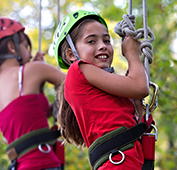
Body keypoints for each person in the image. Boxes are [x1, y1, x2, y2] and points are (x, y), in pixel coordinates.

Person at [53, 10, 149, 170]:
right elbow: (140, 87)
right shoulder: (78, 70)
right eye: (91, 41)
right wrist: (133, 55)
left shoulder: (106, 91)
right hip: (118, 162)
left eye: (107, 40)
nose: (103, 46)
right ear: (71, 54)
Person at [0, 17, 65, 170]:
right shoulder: (33, 70)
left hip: (19, 165)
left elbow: (27, 118)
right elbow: (76, 84)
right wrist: (38, 67)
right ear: (11, 47)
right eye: (25, 46)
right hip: (44, 162)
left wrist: (37, 82)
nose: (29, 54)